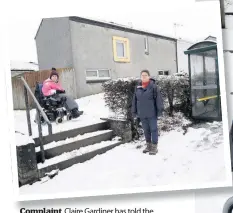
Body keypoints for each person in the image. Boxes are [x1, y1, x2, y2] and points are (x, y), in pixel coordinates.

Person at [131, 70, 164, 155]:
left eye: (145, 75)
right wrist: (134, 111)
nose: (144, 77)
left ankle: (154, 147)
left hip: (151, 113)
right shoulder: (137, 87)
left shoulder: (154, 87)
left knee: (153, 130)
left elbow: (158, 100)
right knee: (146, 130)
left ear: (149, 76)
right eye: (142, 75)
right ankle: (148, 146)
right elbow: (134, 100)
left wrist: (160, 111)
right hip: (142, 113)